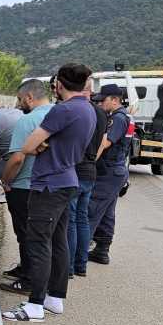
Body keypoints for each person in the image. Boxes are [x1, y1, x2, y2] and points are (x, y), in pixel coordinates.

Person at [3, 62, 96, 322]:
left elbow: (27, 145)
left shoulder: (62, 110)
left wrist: (40, 142)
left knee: (38, 242)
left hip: (48, 184)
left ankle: (35, 305)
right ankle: (55, 298)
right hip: (68, 179)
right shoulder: (87, 109)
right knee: (58, 240)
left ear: (59, 85)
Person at [0, 79, 53, 294]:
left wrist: (6, 181)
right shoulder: (60, 115)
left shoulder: (28, 120)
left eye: (21, 100)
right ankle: (37, 275)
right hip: (51, 186)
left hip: (24, 186)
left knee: (25, 234)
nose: (19, 105)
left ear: (30, 97)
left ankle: (28, 280)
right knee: (44, 236)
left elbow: (16, 159)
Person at [87, 83, 134, 265]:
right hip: (117, 170)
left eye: (103, 100)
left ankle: (78, 255)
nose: (99, 103)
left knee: (91, 210)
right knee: (106, 212)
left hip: (109, 170)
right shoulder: (126, 116)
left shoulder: (117, 118)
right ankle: (101, 251)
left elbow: (104, 143)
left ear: (115, 100)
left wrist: (91, 162)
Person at [67, 80, 106, 277]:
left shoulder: (77, 111)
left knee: (71, 221)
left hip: (76, 170)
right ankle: (81, 265)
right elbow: (102, 144)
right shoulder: (100, 113)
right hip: (90, 170)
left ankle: (69, 268)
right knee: (82, 219)